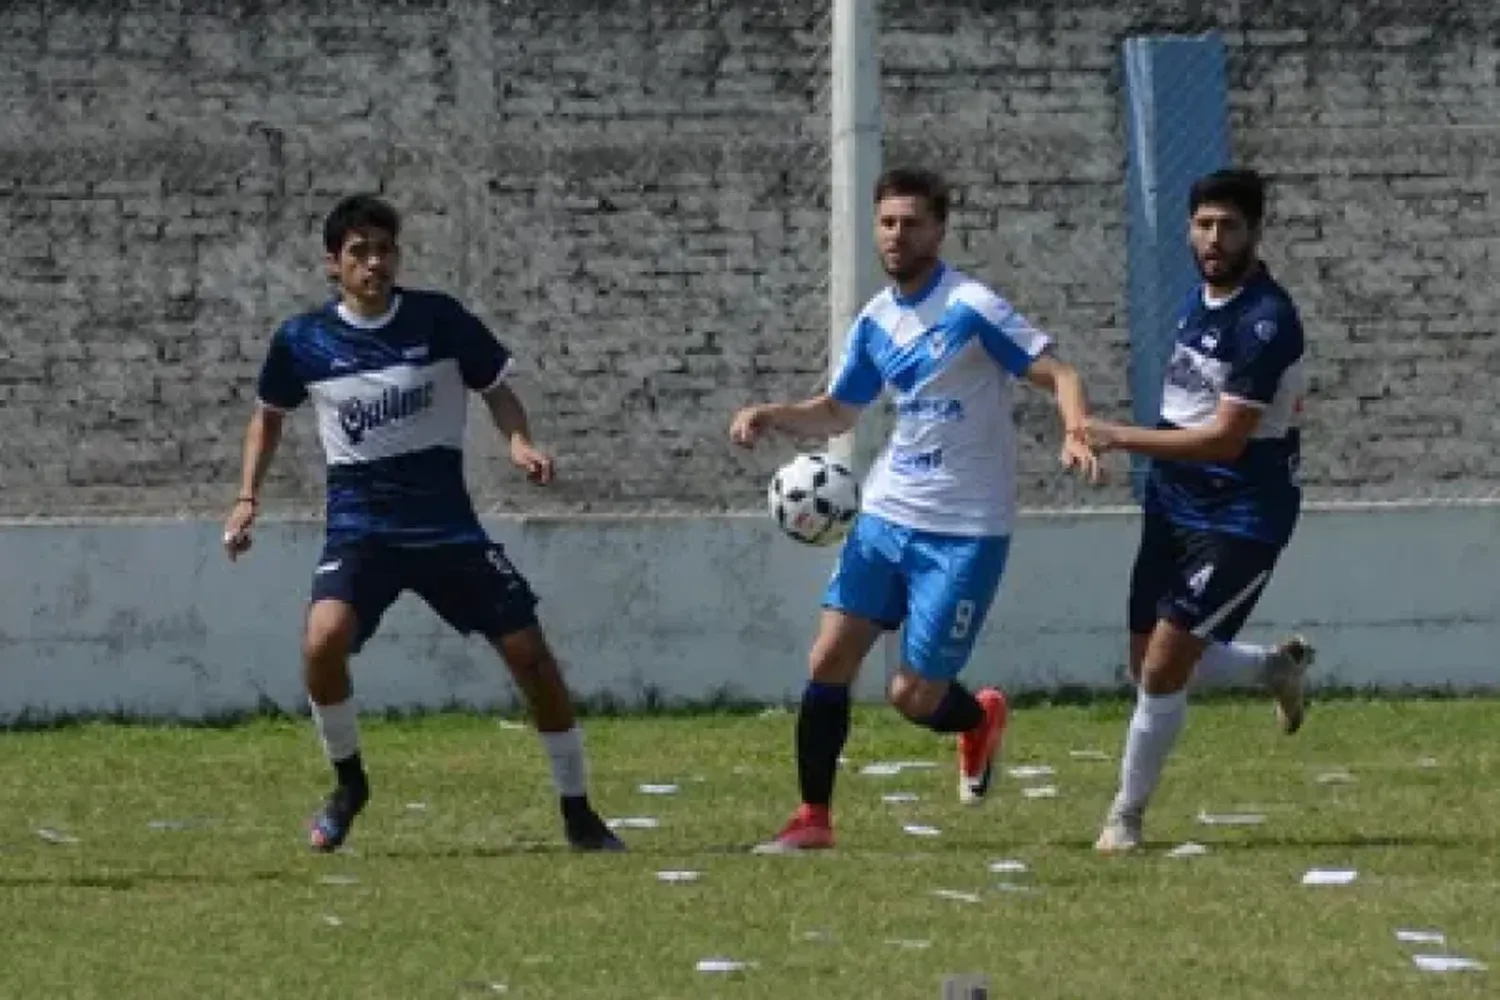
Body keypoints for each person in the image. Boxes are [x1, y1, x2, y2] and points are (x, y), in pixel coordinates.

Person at [222, 194, 624, 853]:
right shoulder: (305, 340)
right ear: (334, 264)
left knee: (530, 655)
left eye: (385, 249)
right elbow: (268, 415)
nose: (375, 262)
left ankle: (579, 810)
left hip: (447, 530)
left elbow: (494, 386)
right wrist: (246, 498)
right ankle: (350, 785)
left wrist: (519, 442)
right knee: (321, 644)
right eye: (360, 252)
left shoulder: (438, 320)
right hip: (360, 531)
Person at [729, 167, 1103, 852]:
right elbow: (840, 409)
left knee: (912, 696)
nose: (897, 235)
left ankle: (976, 719)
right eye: (887, 222)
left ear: (939, 228)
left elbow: (1060, 372)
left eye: (912, 222)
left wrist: (1076, 428)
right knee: (827, 660)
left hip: (964, 532)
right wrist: (772, 415)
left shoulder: (971, 308)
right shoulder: (876, 321)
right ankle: (813, 819)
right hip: (885, 514)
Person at [1083, 168, 1316, 853]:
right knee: (1146, 660)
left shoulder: (1266, 320)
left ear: (1255, 232)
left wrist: (1116, 436)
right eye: (1204, 225)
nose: (1214, 239)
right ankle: (1271, 669)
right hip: (1175, 500)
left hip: (1241, 515)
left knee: (1162, 669)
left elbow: (1224, 438)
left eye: (1230, 227)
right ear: (1189, 229)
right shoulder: (1200, 302)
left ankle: (1124, 818)